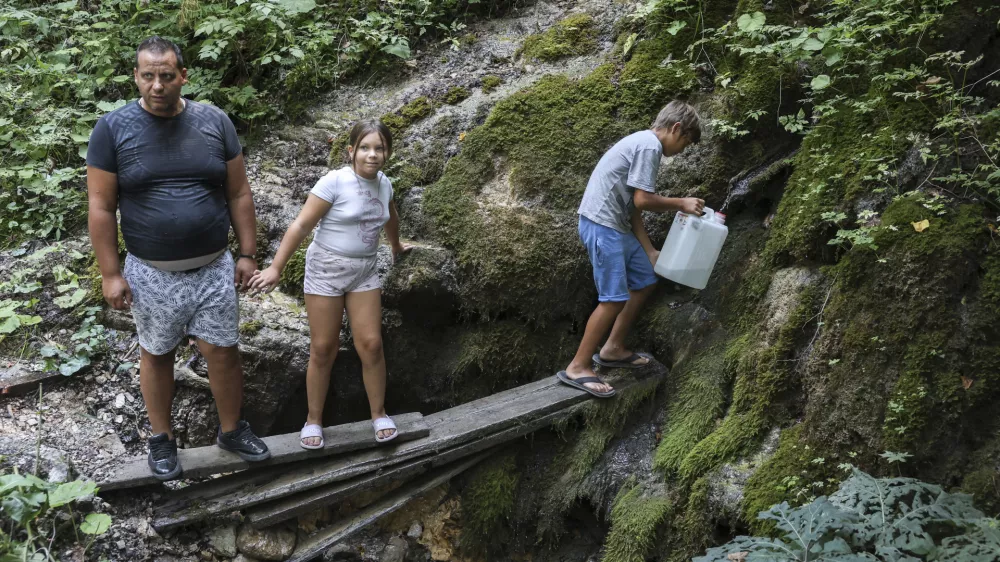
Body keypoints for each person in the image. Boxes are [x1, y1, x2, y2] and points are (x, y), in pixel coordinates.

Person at [87, 36, 270, 481]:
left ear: (182, 76)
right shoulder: (113, 129)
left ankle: (231, 430)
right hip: (151, 271)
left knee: (223, 351)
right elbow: (100, 206)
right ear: (136, 77)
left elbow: (239, 191)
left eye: (166, 75)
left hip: (213, 266)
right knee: (157, 353)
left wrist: (247, 253)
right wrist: (111, 273)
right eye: (147, 76)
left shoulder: (214, 121)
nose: (157, 85)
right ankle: (162, 438)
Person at [247, 119, 410, 449]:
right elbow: (301, 224)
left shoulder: (384, 184)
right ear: (351, 151)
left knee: (372, 344)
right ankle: (313, 420)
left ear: (388, 153)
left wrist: (395, 246)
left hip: (364, 271)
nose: (372, 154)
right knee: (324, 348)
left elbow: (389, 216)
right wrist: (276, 268)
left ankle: (378, 413)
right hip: (325, 270)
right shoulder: (334, 182)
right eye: (365, 147)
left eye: (379, 148)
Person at [557, 100, 705, 397]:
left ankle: (612, 348)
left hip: (617, 226)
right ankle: (578, 366)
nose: (682, 151)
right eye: (686, 143)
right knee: (613, 298)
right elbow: (643, 201)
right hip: (601, 226)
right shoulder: (649, 146)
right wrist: (681, 202)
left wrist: (649, 251)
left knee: (645, 279)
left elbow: (633, 208)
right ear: (676, 129)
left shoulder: (643, 143)